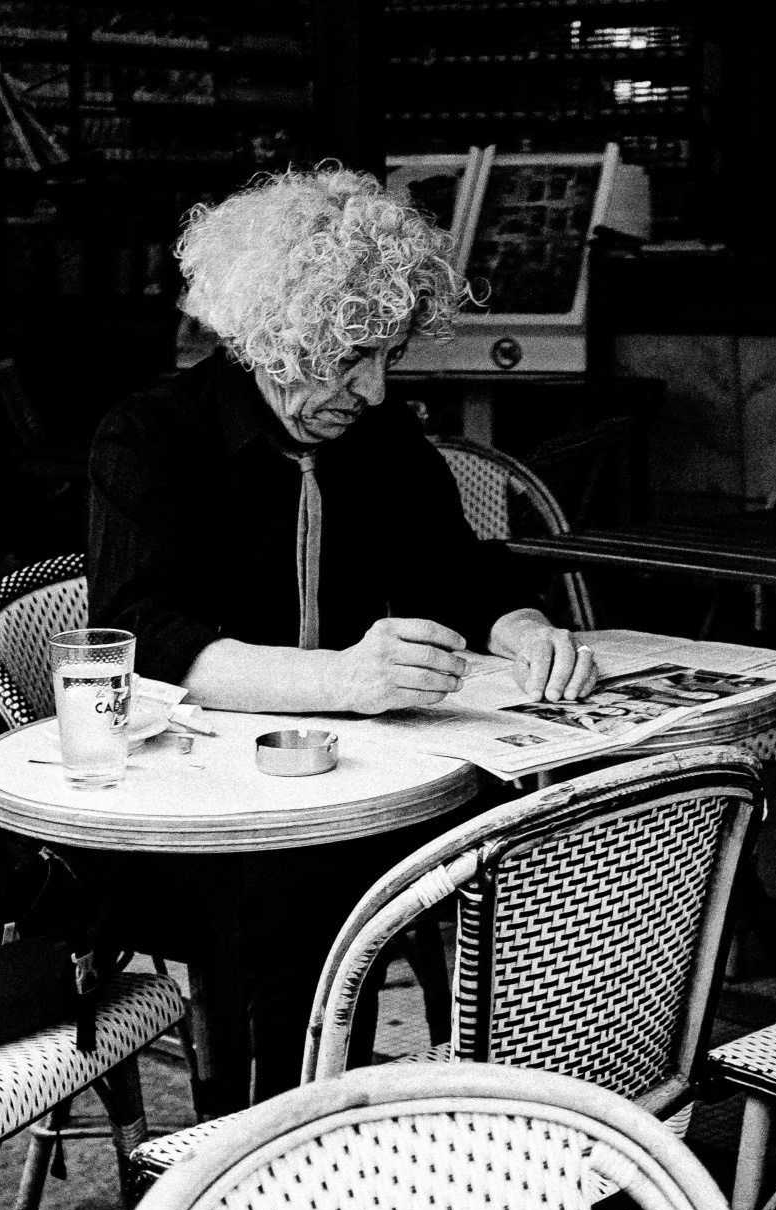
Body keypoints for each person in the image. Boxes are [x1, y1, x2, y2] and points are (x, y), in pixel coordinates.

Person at [85, 163, 597, 1100]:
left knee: (546, 853)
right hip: (194, 820)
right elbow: (142, 634)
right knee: (309, 911)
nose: (372, 388)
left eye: (386, 356)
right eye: (349, 356)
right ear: (272, 336)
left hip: (362, 793)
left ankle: (514, 1116)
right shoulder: (150, 437)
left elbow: (460, 570)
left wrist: (527, 630)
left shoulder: (382, 442)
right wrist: (346, 679)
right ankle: (289, 1145)